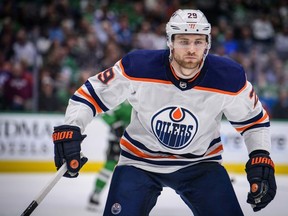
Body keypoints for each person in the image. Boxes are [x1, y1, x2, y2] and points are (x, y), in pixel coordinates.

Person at [52, 9, 277, 216]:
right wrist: (72, 127)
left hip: (201, 165)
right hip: (139, 162)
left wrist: (260, 156)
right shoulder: (137, 67)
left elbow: (253, 122)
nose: (191, 49)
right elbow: (89, 95)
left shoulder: (229, 77)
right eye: (184, 41)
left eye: (199, 41)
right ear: (170, 42)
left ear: (207, 44)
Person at [87, 102, 132, 210]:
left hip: (132, 142)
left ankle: (129, 198)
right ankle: (96, 193)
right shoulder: (121, 98)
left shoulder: (138, 99)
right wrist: (115, 124)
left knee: (132, 171)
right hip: (116, 141)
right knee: (109, 167)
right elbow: (102, 111)